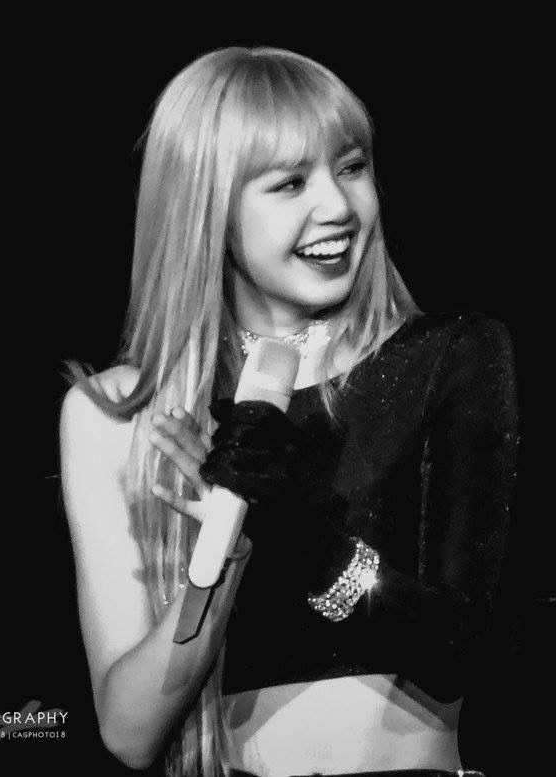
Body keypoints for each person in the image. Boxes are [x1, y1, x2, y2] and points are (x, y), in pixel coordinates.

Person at [59, 47, 517, 776]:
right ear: (208, 208)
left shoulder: (451, 356)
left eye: (352, 167)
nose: (337, 207)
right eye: (290, 182)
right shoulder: (119, 413)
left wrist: (292, 530)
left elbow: (453, 650)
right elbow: (129, 733)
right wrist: (226, 549)